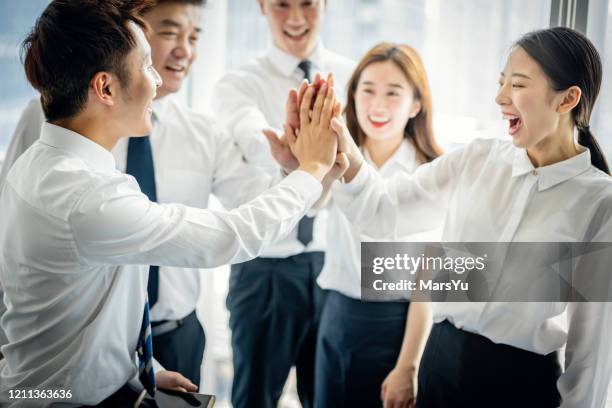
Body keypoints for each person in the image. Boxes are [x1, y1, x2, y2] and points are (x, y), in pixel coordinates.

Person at [0, 0, 344, 406]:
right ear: (105, 88)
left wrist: (140, 370)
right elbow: (227, 236)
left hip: (117, 374)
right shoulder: (85, 193)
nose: (158, 81)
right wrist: (313, 166)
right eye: (147, 65)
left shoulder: (55, 162)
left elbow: (89, 306)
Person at [326, 27, 612, 407]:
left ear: (567, 99)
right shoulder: (475, 160)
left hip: (518, 386)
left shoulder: (599, 201)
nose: (500, 97)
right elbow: (383, 212)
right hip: (438, 365)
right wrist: (342, 143)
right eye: (501, 83)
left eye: (518, 85)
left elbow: (592, 348)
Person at [212, 1, 354, 407]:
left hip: (336, 265)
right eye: (281, 5)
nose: (295, 18)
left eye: (308, 3)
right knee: (255, 395)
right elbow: (256, 140)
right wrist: (296, 156)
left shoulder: (353, 76)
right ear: (261, 7)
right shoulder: (238, 83)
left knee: (329, 397)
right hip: (265, 268)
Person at [314, 43, 443, 408]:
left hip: (396, 325)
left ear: (416, 104)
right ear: (352, 95)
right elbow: (312, 204)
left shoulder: (431, 173)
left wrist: (409, 366)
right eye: (367, 90)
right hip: (335, 315)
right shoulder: (337, 156)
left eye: (393, 93)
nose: (378, 104)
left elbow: (427, 284)